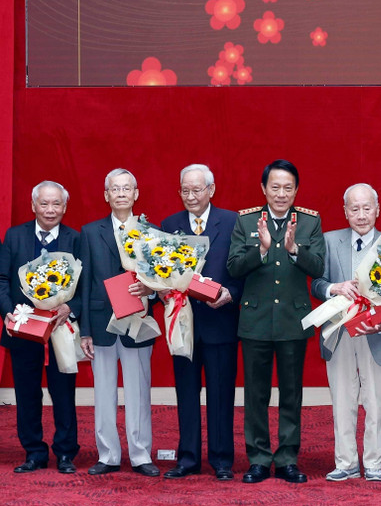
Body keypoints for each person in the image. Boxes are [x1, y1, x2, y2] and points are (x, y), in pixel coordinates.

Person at [227, 159, 324, 484]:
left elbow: (319, 268)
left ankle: (286, 459)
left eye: (288, 187)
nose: (281, 194)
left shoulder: (309, 222)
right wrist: (263, 250)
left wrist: (294, 249)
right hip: (255, 320)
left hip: (293, 320)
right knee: (255, 394)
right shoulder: (247, 221)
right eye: (275, 187)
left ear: (296, 190)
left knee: (291, 393)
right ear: (263, 189)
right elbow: (234, 267)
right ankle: (258, 459)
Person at [311, 183, 381, 483]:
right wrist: (332, 288)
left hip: (376, 334)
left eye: (367, 208)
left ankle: (374, 463)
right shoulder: (328, 241)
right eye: (355, 209)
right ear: (345, 211)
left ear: (377, 209)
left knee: (376, 402)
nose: (361, 215)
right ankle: (346, 462)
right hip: (338, 333)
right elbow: (315, 282)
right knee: (342, 400)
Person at [160, 164, 242, 481]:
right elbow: (159, 270)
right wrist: (161, 289)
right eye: (185, 190)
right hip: (182, 322)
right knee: (186, 392)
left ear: (212, 189)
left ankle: (222, 460)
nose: (191, 196)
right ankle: (188, 457)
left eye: (197, 189)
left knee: (221, 394)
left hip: (220, 321)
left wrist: (231, 294)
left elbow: (243, 270)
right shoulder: (170, 225)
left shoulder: (233, 222)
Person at [79, 169, 159, 477]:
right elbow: (84, 284)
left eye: (127, 188)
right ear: (106, 196)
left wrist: (150, 289)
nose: (122, 193)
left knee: (139, 390)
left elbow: (162, 279)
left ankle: (141, 454)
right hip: (101, 322)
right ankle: (108, 454)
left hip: (137, 319)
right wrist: (84, 330)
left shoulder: (152, 231)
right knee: (103, 391)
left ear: (136, 194)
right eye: (115, 189)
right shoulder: (89, 231)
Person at [0, 181, 80, 474]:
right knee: (27, 393)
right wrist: (9, 313)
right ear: (33, 206)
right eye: (44, 204)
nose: (50, 210)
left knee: (63, 392)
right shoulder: (14, 236)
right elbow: (2, 280)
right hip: (22, 330)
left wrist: (69, 307)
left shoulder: (75, 238)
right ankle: (34, 451)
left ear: (64, 207)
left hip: (60, 329)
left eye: (56, 204)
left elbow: (85, 285)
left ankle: (65, 452)